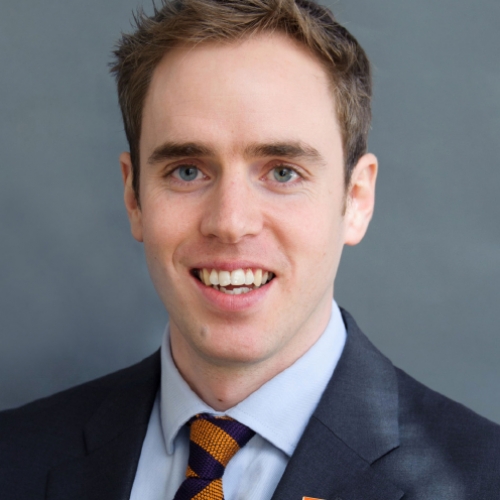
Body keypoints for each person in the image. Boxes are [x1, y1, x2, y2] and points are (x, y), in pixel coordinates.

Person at [1, 0, 499, 498]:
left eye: (283, 172)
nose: (231, 223)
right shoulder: (14, 456)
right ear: (134, 198)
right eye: (187, 171)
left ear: (356, 199)